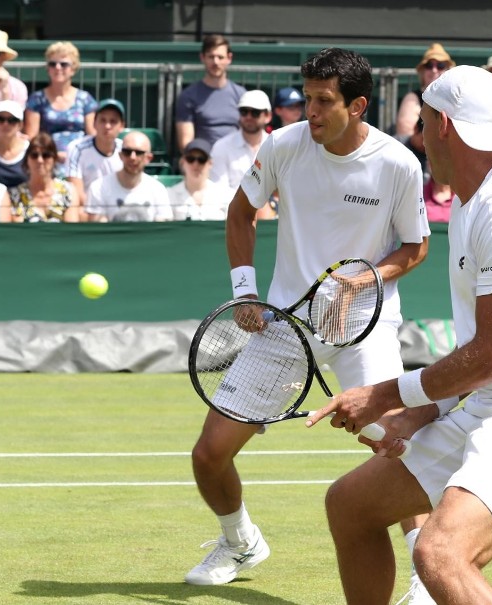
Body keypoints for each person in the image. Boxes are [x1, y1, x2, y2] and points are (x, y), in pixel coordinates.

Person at [306, 65, 492, 605]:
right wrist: (422, 410)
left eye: (422, 122)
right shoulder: (473, 203)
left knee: (439, 553)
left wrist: (383, 394)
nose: (418, 136)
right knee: (350, 507)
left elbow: (491, 356)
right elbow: (486, 358)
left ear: (442, 125)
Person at [184, 47, 430, 589]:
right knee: (209, 455)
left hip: (367, 326)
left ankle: (426, 574)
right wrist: (246, 293)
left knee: (397, 449)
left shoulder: (398, 164)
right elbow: (241, 212)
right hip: (286, 326)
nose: (310, 112)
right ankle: (240, 543)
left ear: (358, 105)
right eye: (307, 99)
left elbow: (415, 247)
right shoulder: (284, 145)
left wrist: (362, 280)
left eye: (324, 101)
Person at [24, 41, 98, 164]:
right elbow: (33, 137)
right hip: (47, 160)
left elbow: (92, 135)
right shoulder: (36, 99)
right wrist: (53, 156)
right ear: (48, 68)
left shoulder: (85, 99)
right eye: (52, 64)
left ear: (73, 69)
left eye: (64, 64)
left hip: (80, 160)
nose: (58, 68)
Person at [175, 34, 247, 150]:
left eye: (220, 57)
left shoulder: (241, 94)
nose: (215, 62)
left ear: (229, 58)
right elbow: (186, 143)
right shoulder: (188, 96)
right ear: (202, 57)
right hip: (204, 161)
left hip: (236, 161)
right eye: (211, 57)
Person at [85, 130, 172, 222]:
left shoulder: (158, 190)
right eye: (127, 152)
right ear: (120, 155)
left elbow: (162, 229)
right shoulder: (98, 187)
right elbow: (99, 231)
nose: (132, 157)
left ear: (148, 158)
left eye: (139, 153)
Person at [65, 98, 125, 209]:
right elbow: (76, 193)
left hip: (119, 209)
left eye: (113, 121)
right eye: (103, 120)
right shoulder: (76, 148)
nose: (107, 126)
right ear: (94, 123)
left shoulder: (127, 150)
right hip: (86, 210)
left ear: (121, 126)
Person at [209, 89, 271, 191]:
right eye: (244, 111)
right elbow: (218, 191)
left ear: (268, 116)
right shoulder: (221, 146)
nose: (248, 117)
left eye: (255, 112)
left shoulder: (276, 145)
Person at [9, 133, 79, 222]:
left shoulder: (68, 191)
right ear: (27, 160)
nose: (40, 160)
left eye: (46, 155)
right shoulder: (15, 195)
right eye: (34, 155)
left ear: (54, 159)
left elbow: (71, 231)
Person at [394, 43, 454, 138]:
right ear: (423, 71)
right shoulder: (412, 98)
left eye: (440, 65)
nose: (434, 70)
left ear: (448, 70)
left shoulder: (456, 98)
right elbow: (405, 135)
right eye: (429, 65)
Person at [168, 138, 234, 220]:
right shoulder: (169, 195)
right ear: (182, 162)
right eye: (190, 159)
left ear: (210, 163)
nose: (196, 164)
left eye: (201, 160)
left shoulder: (225, 194)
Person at [0, 100, 29, 188]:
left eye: (12, 120)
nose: (5, 124)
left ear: (20, 125)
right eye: (0, 119)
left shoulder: (31, 150)